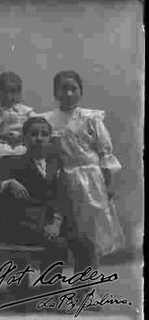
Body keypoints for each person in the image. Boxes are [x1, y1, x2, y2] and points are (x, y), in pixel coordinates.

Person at [43, 70, 126, 304]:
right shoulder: (49, 120)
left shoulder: (91, 118)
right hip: (64, 181)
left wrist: (108, 183)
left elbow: (105, 152)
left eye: (73, 88)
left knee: (90, 238)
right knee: (71, 236)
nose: (68, 93)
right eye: (63, 88)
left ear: (80, 91)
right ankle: (59, 288)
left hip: (91, 181)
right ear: (55, 92)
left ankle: (87, 291)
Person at [0, 116, 66, 272]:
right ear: (24, 139)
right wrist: (9, 182)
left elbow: (61, 196)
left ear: (50, 139)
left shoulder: (56, 164)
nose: (39, 138)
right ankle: (20, 287)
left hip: (48, 223)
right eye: (33, 134)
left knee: (72, 240)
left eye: (44, 134)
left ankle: (51, 286)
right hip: (21, 225)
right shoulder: (9, 163)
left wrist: (56, 224)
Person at [0, 71, 35, 156]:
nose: (8, 96)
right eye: (5, 91)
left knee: (24, 151)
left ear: (19, 93)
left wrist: (22, 137)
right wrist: (4, 136)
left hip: (20, 143)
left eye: (13, 92)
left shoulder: (26, 111)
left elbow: (36, 125)